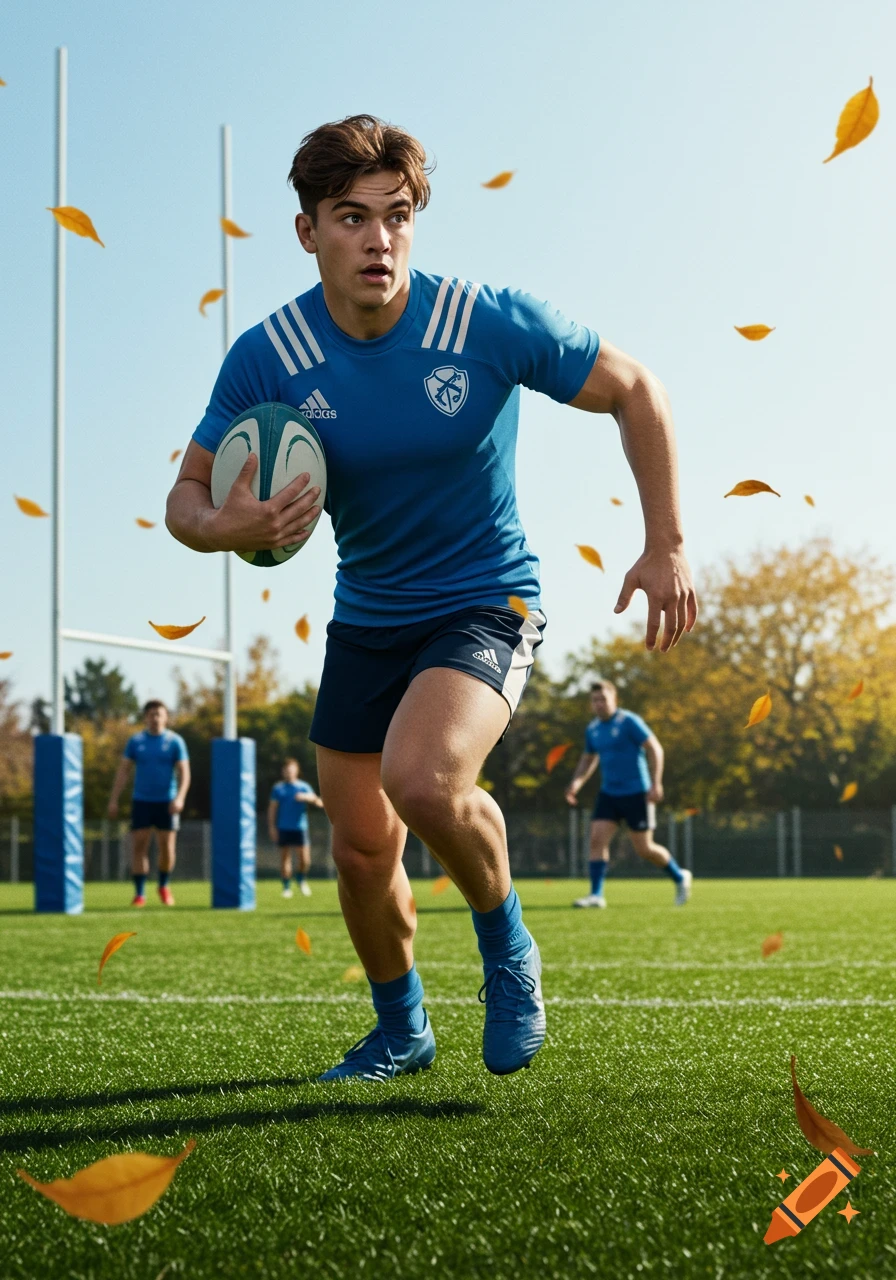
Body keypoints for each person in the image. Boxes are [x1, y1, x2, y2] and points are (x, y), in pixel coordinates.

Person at [166, 115, 697, 1081]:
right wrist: (225, 527)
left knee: (423, 781)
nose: (379, 239)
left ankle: (509, 946)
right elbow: (185, 501)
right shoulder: (269, 354)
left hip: (486, 601)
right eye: (351, 217)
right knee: (362, 850)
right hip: (368, 616)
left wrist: (665, 544)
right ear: (308, 231)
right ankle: (401, 1029)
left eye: (398, 215)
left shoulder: (485, 322)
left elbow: (637, 389)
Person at [564, 680, 691, 908]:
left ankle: (680, 876)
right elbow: (589, 758)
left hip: (638, 793)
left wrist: (656, 783)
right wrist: (576, 783)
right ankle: (596, 895)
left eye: (603, 699)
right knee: (596, 840)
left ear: (614, 699)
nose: (599, 704)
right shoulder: (593, 729)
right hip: (609, 794)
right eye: (595, 700)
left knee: (644, 849)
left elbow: (655, 748)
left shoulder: (629, 721)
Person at [108, 699, 191, 907]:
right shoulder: (136, 742)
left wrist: (180, 797)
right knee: (139, 846)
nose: (155, 718)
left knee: (167, 848)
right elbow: (124, 771)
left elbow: (185, 773)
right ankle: (140, 893)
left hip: (167, 802)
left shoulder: (175, 741)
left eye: (159, 714)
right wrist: (114, 799)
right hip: (142, 801)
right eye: (151, 714)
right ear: (145, 717)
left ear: (166, 717)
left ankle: (163, 885)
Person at [268, 758, 325, 897]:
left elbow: (319, 802)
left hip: (300, 828)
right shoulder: (278, 789)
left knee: (305, 860)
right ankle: (286, 887)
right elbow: (272, 809)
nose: (288, 772)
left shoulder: (303, 787)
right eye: (286, 770)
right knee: (285, 858)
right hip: (283, 828)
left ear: (296, 771)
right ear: (283, 772)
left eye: (291, 770)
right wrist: (272, 827)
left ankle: (301, 878)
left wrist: (307, 797)